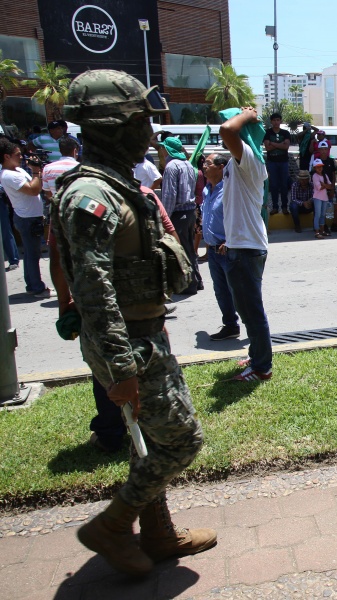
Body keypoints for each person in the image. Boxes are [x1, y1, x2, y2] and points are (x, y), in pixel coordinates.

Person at [52, 69, 215, 576]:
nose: (151, 131)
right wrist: (122, 366)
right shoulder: (91, 197)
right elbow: (93, 288)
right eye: (143, 121)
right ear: (115, 126)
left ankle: (159, 534)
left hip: (145, 334)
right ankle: (114, 525)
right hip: (130, 344)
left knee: (149, 439)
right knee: (181, 440)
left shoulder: (120, 185)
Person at [218, 106, 273, 382]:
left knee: (252, 311)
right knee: (246, 308)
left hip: (248, 248)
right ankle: (256, 355)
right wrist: (229, 241)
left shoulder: (250, 159)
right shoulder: (237, 162)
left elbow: (228, 130)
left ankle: (263, 367)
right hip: (240, 245)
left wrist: (249, 116)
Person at [0, 138, 54, 297]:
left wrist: (36, 170)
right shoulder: (9, 175)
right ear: (6, 157)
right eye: (17, 155)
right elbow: (33, 190)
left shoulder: (17, 171)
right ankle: (37, 288)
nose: (21, 157)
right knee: (32, 255)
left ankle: (32, 285)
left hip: (29, 216)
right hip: (27, 218)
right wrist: (36, 171)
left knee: (31, 254)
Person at [200, 153, 240, 341]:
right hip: (213, 251)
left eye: (208, 163)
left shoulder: (230, 190)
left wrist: (229, 240)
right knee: (221, 291)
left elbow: (240, 219)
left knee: (240, 292)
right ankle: (231, 326)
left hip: (229, 249)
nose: (204, 166)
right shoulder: (207, 190)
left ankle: (256, 329)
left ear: (221, 167)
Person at [160, 136, 202, 295]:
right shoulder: (187, 164)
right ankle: (196, 281)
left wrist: (165, 218)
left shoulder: (171, 166)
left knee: (181, 250)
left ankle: (189, 284)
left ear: (167, 150)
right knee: (189, 248)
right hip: (190, 211)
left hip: (178, 213)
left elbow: (170, 195)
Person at [263, 113, 291, 214]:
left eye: (278, 120)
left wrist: (273, 143)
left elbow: (286, 147)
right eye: (274, 120)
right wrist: (280, 144)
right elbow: (267, 148)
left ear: (280, 121)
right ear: (271, 121)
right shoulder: (267, 133)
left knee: (284, 185)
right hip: (272, 162)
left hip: (283, 162)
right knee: (274, 185)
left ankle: (284, 207)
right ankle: (275, 207)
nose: (276, 122)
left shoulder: (285, 133)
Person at [311, 159, 333, 238]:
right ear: (315, 168)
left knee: (323, 215)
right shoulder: (314, 176)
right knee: (318, 214)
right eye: (317, 167)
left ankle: (322, 230)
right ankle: (317, 231)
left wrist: (324, 185)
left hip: (324, 197)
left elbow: (330, 186)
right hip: (317, 197)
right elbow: (319, 187)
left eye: (320, 167)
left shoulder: (325, 175)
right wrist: (326, 185)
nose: (319, 168)